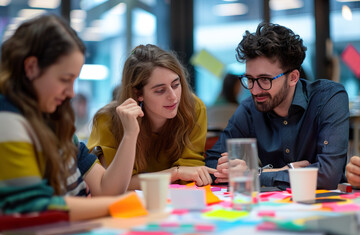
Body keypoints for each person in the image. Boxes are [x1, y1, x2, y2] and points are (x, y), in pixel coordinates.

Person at [0, 15, 141, 221]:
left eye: (74, 80)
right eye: (65, 79)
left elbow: (105, 188)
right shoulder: (7, 120)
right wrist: (123, 205)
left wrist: (131, 133)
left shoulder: (53, 120)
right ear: (31, 68)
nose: (72, 92)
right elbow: (33, 209)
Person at [205, 22, 349, 190]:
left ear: (293, 77)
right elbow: (212, 164)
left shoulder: (328, 98)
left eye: (265, 79)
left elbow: (328, 175)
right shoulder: (249, 109)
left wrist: (256, 175)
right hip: (268, 210)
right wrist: (286, 171)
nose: (254, 90)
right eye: (250, 79)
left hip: (324, 208)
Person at [87, 44, 215, 189]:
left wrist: (179, 174)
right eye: (160, 90)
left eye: (175, 85)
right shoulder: (107, 120)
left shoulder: (193, 108)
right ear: (138, 94)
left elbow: (191, 173)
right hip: (128, 206)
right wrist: (174, 173)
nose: (173, 97)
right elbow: (112, 185)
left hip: (174, 203)